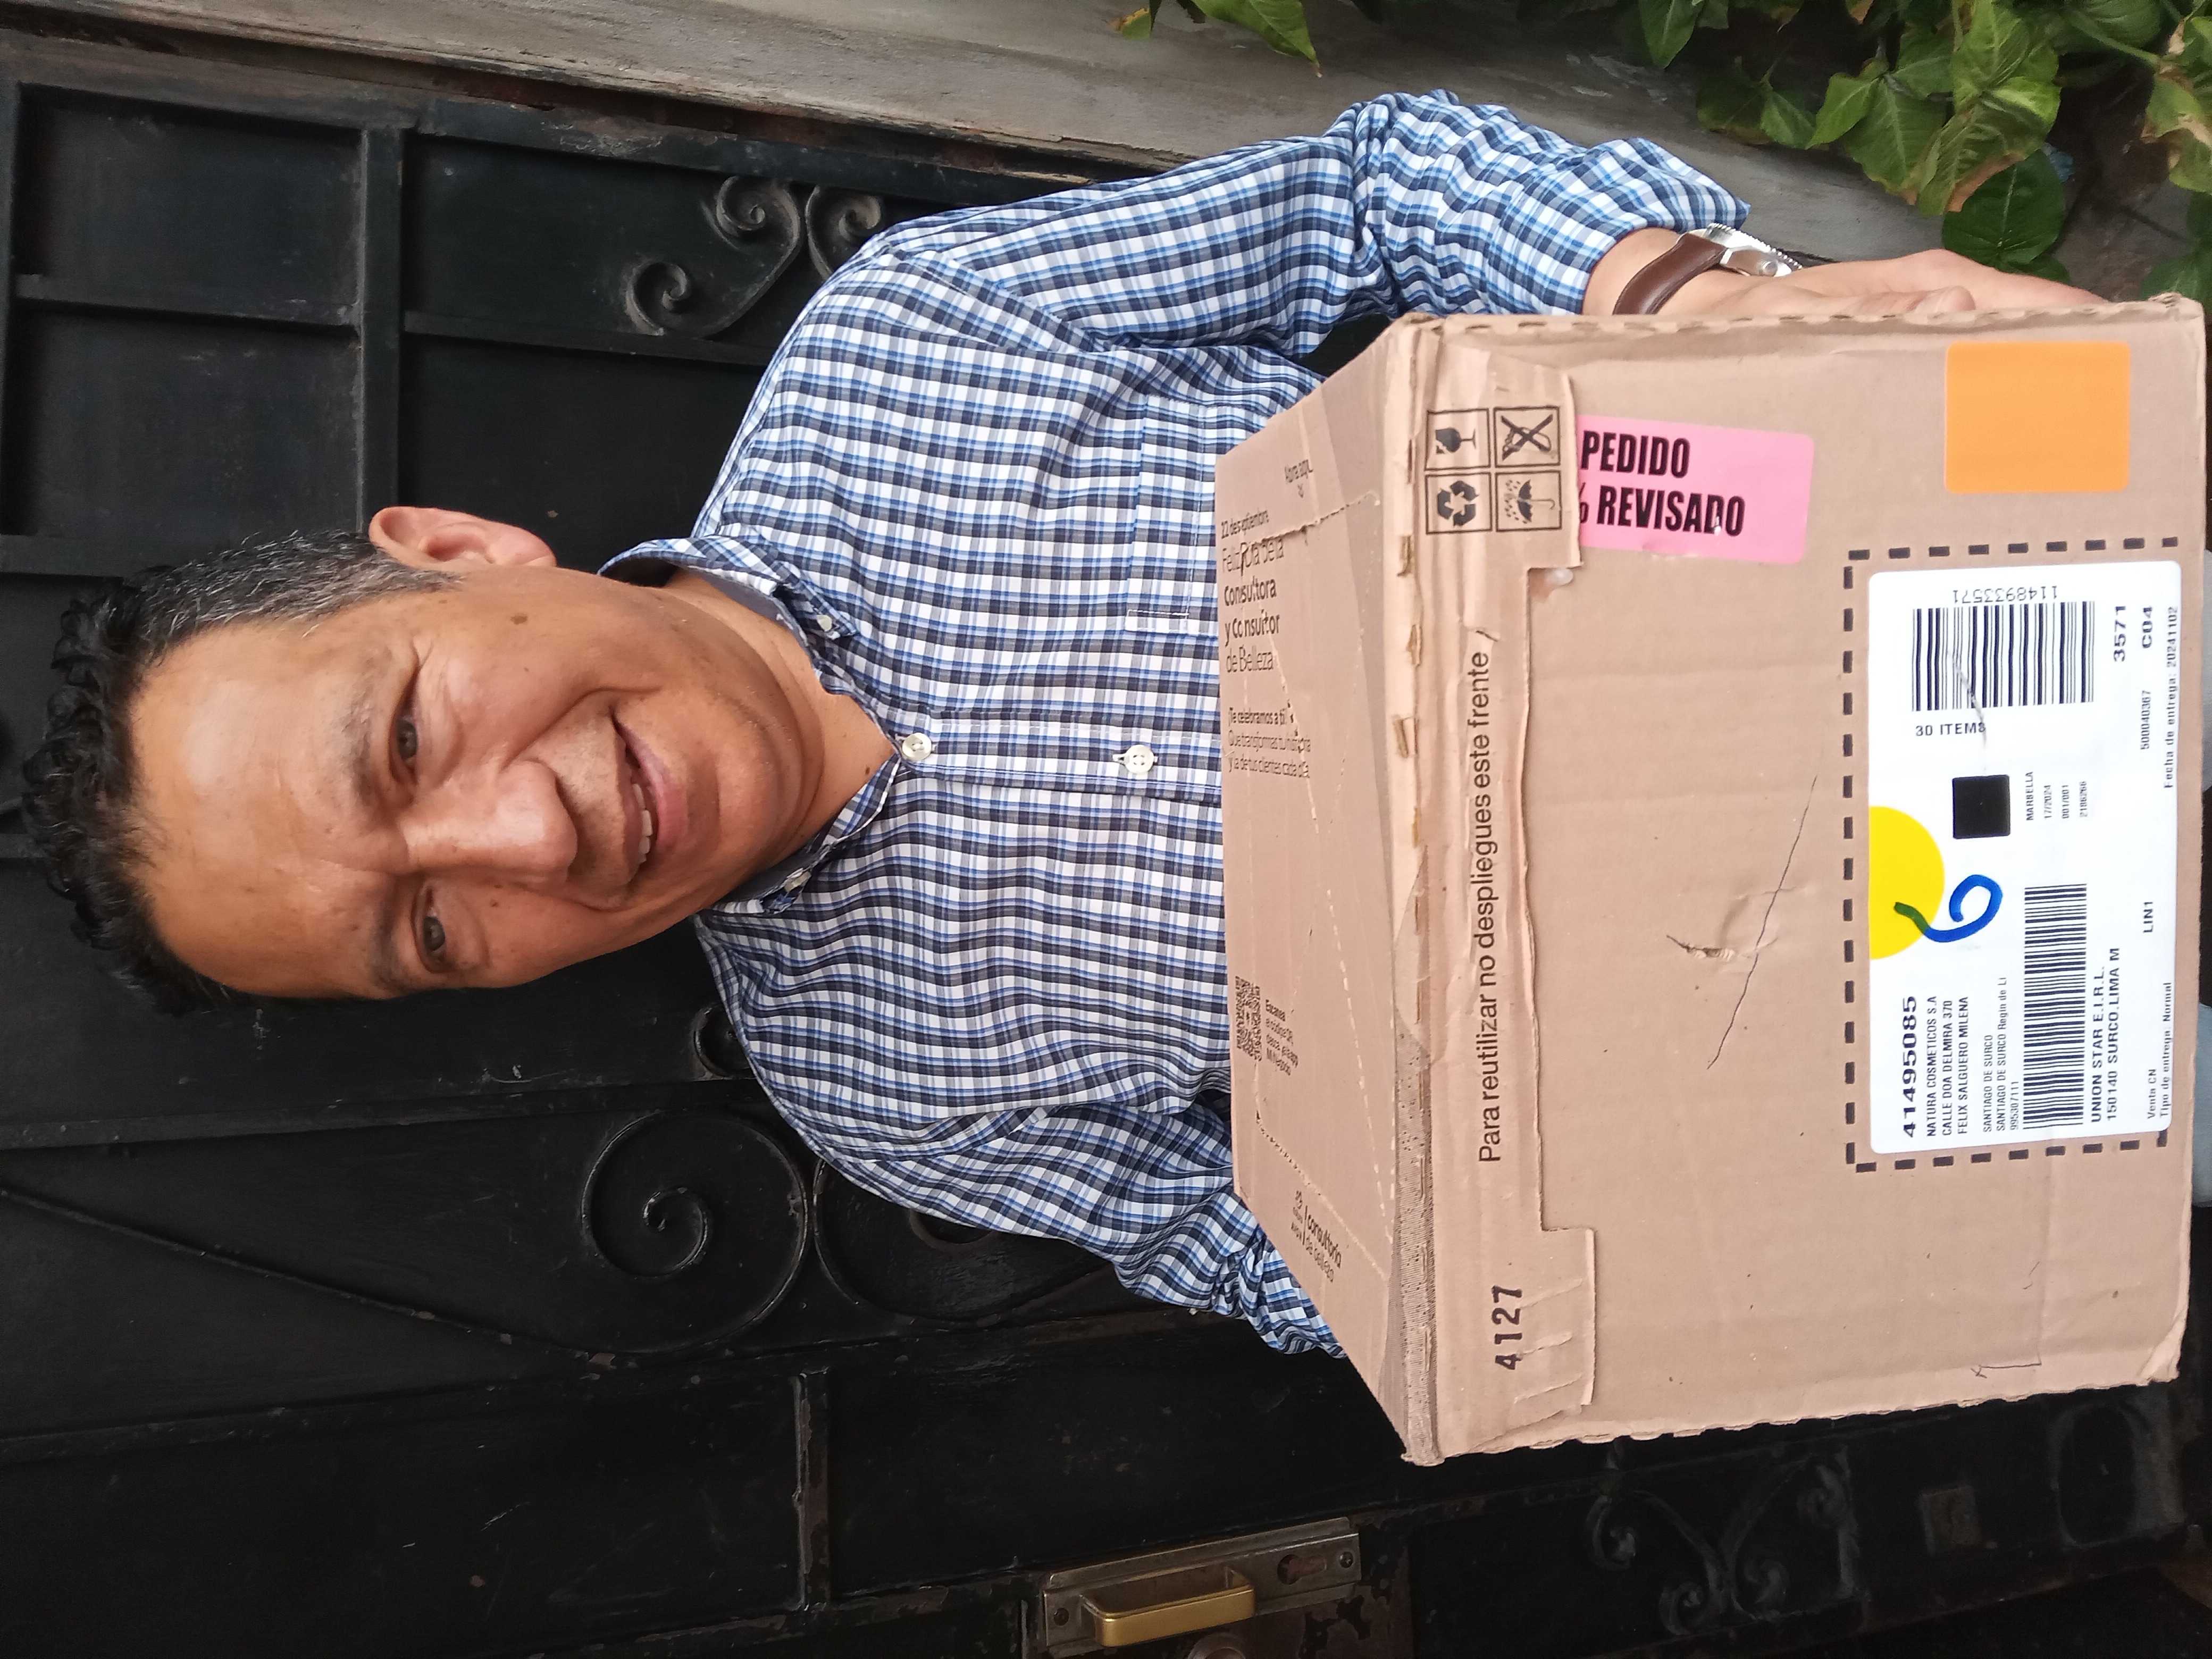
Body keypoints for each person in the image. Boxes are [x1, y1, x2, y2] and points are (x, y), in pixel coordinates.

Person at [22, 94, 2094, 1354]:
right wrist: (1534, 1264)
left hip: (1976, 584)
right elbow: (1259, 1248)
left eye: (403, 747)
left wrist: (1693, 307)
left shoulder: (913, 343)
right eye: (426, 930)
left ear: (457, 552)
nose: (521, 844)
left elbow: (1362, 194)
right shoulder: (880, 1095)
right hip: (1971, 1033)